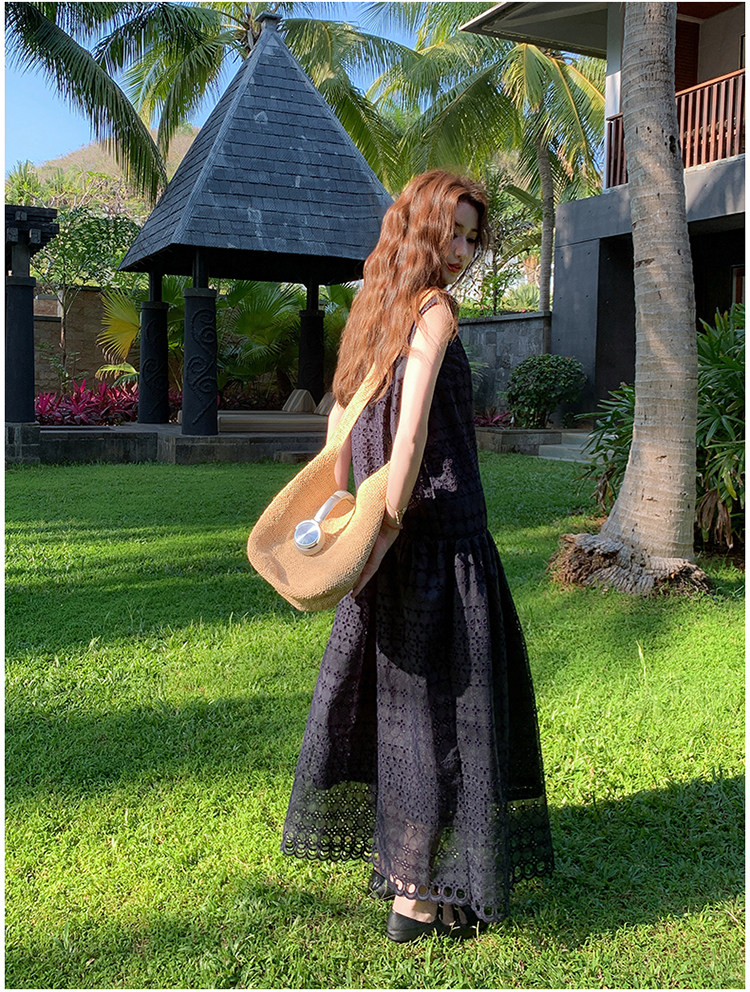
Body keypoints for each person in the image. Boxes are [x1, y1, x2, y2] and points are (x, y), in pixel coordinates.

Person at [281, 170, 554, 942]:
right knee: (448, 715)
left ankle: (408, 880)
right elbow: (408, 440)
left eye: (471, 236)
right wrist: (387, 530)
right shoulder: (433, 310)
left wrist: (355, 527)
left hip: (389, 539)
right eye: (453, 232)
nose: (463, 249)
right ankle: (417, 899)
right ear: (420, 228)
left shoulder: (375, 309)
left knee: (403, 712)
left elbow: (338, 432)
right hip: (437, 535)